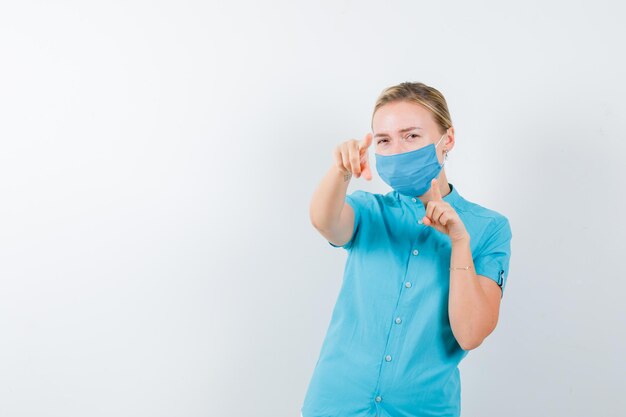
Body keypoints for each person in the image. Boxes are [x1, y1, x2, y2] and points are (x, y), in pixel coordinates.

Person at [300, 82, 513, 417]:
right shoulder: (369, 211)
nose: (397, 149)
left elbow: (470, 333)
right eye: (384, 140)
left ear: (448, 140)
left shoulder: (489, 228)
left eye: (411, 135)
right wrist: (340, 172)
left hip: (423, 410)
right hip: (336, 405)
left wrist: (459, 243)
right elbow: (324, 221)